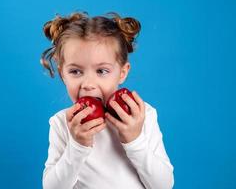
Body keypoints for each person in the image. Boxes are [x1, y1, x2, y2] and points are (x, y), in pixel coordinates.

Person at [40, 11, 174, 189]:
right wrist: (77, 146)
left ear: (122, 73)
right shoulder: (62, 123)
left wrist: (135, 140)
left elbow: (163, 185)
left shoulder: (143, 115)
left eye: (102, 71)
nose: (88, 84)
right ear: (62, 74)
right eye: (75, 71)